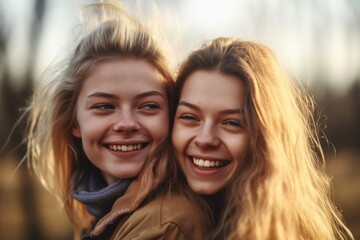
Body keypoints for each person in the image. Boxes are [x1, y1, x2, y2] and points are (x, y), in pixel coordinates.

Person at [26, 2, 210, 239]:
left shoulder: (166, 226)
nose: (126, 123)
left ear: (171, 115)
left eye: (149, 106)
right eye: (104, 106)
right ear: (74, 123)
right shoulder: (104, 214)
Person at [172, 37, 354, 240]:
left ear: (265, 139)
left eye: (232, 123)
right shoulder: (154, 221)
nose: (205, 139)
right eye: (189, 117)